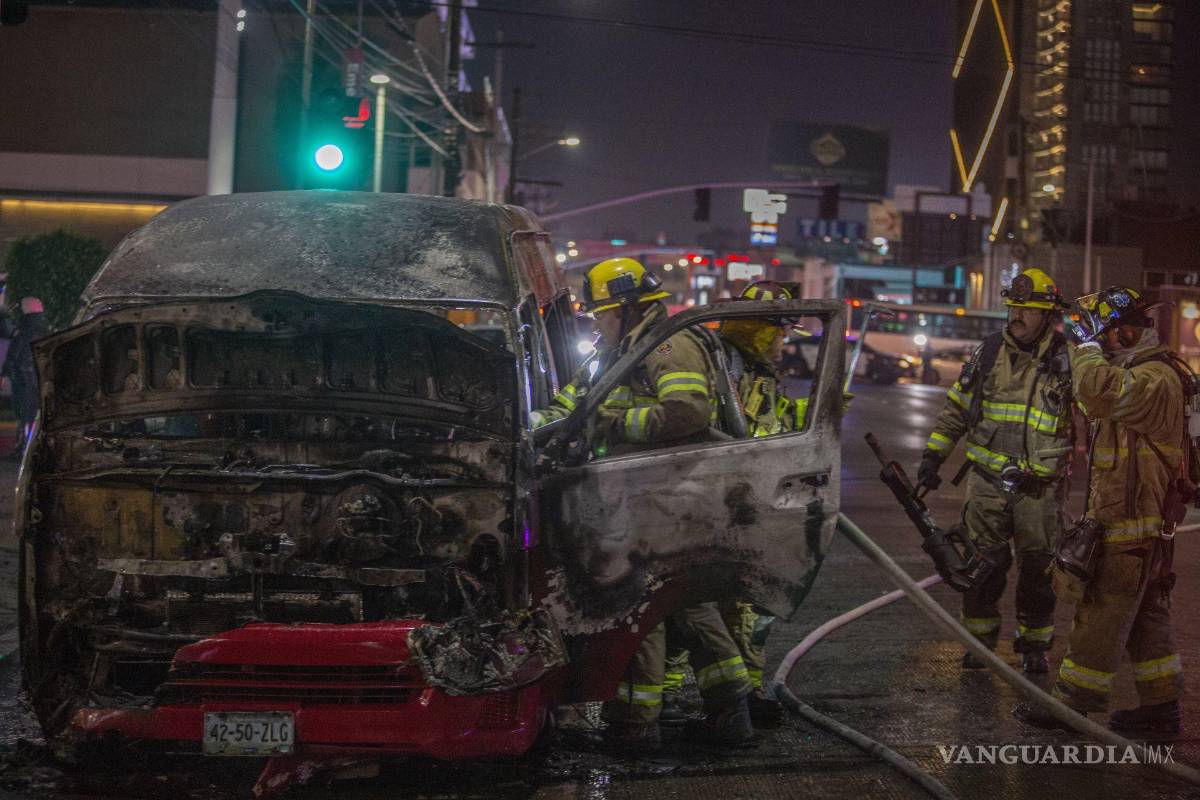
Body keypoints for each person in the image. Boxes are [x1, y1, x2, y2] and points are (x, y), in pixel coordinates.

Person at [531, 257, 754, 751]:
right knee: (688, 604)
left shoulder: (668, 346)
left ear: (630, 309)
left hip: (668, 497)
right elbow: (576, 403)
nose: (595, 323)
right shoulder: (621, 351)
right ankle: (731, 711)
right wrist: (531, 425)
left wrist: (615, 423)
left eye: (600, 315)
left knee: (639, 603)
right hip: (642, 494)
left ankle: (635, 725)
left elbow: (687, 411)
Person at [1014, 287, 1187, 736]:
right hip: (1138, 522)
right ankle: (1160, 707)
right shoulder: (1141, 371)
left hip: (1130, 524)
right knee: (1148, 616)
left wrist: (1085, 348)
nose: (1096, 343)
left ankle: (1072, 707)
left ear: (1127, 331)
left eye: (1103, 334)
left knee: (1099, 612)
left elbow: (1095, 393)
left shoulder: (1155, 379)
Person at [918, 268, 1073, 674]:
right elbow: (956, 408)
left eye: (1028, 309)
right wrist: (933, 457)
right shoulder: (987, 353)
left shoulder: (1069, 361)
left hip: (1039, 492)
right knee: (982, 569)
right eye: (1014, 307)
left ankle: (1035, 648)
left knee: (1039, 574)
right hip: (987, 485)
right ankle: (980, 644)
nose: (1017, 315)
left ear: (1049, 315)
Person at [1, 297, 50, 453]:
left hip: (24, 379)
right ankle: (34, 446)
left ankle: (23, 447)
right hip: (41, 379)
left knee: (24, 414)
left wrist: (5, 373)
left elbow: (14, 354)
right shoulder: (46, 331)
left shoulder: (23, 331)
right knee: (37, 413)